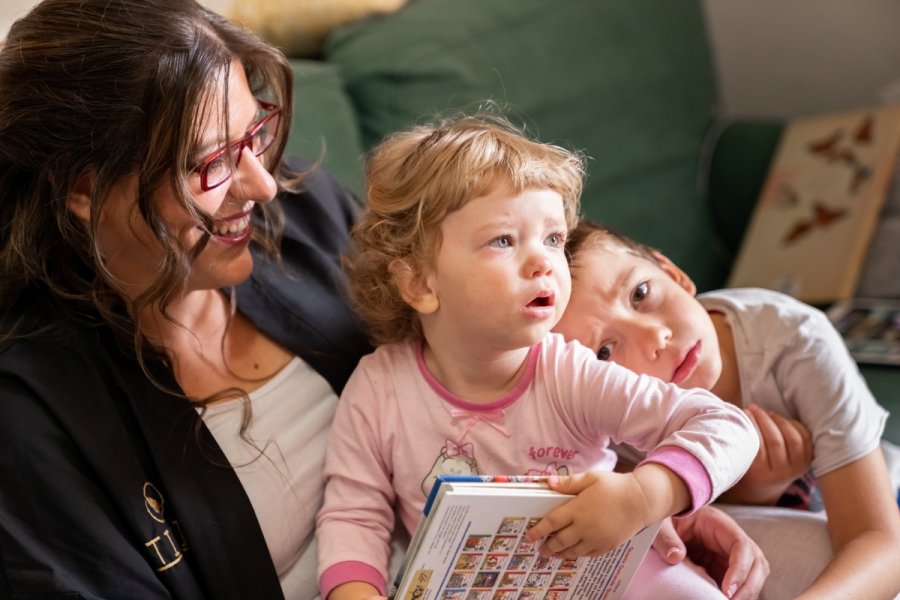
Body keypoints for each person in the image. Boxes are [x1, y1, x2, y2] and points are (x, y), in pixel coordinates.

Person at [0, 0, 375, 597]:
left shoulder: (307, 215)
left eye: (255, 132)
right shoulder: (32, 414)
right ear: (83, 187)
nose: (264, 183)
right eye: (212, 162)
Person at [315, 113, 762, 600]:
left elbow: (726, 427)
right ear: (420, 283)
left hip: (605, 574)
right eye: (504, 240)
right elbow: (352, 515)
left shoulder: (569, 373)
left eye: (553, 238)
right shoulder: (379, 389)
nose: (545, 261)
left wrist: (643, 495)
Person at [553, 219, 900, 599]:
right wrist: (756, 493)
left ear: (674, 273)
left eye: (641, 294)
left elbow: (880, 540)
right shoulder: (593, 404)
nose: (656, 338)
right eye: (605, 351)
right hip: (739, 525)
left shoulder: (794, 340)